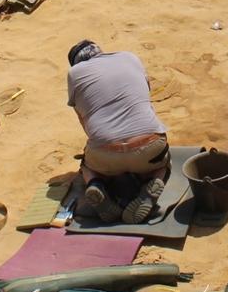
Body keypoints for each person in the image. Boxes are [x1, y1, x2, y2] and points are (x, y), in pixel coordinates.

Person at [66, 40, 168, 224]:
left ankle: (95, 183)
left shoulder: (75, 74)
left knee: (87, 167)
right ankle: (152, 182)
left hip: (106, 154)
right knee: (162, 164)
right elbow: (146, 93)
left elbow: (83, 120)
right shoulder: (129, 57)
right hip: (148, 146)